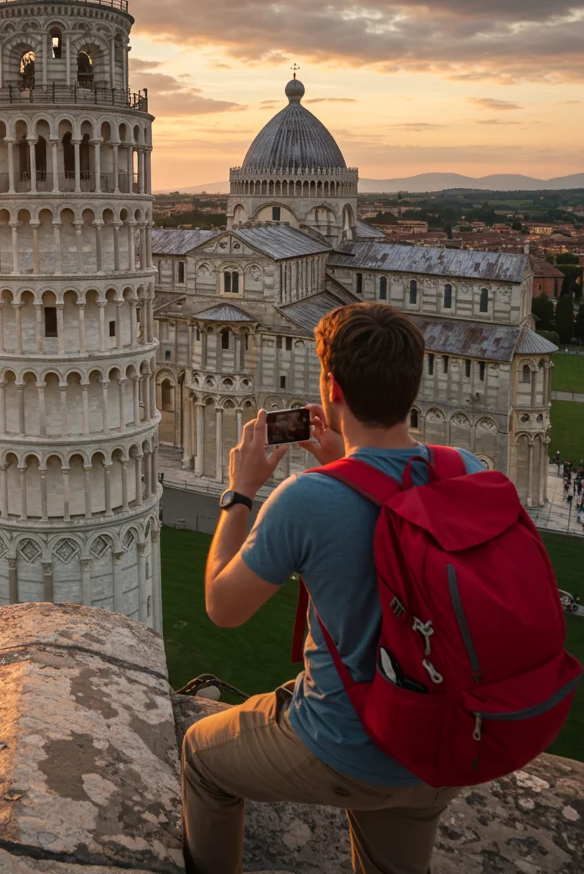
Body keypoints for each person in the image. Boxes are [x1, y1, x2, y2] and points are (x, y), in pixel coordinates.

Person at [182, 302, 475, 874]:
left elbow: (222, 606)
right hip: (439, 747)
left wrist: (239, 493)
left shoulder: (308, 498)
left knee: (200, 756)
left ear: (331, 386)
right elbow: (389, 502)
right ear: (414, 384)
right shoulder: (464, 469)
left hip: (348, 742)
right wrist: (348, 463)